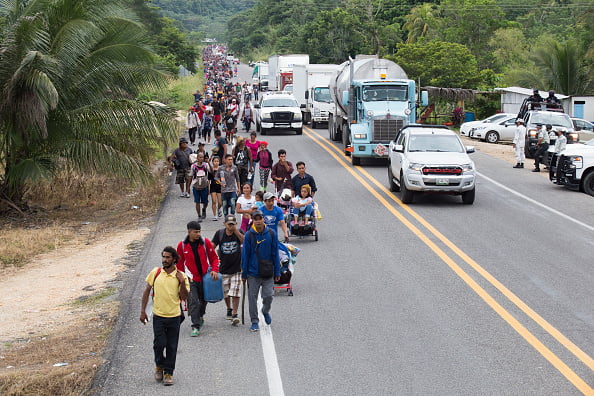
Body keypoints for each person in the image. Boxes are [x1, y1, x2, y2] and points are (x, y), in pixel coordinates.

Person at [140, 246, 189, 386]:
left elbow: (184, 297)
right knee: (159, 344)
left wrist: (181, 282)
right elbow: (146, 291)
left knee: (171, 346)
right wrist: (143, 311)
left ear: (174, 259)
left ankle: (168, 373)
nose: (165, 260)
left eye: (168, 257)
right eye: (163, 257)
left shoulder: (181, 276)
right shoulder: (155, 273)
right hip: (159, 316)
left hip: (174, 316)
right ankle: (159, 366)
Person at [176, 221, 219, 337]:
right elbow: (179, 264)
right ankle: (195, 326)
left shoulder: (206, 243)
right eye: (195, 232)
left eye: (199, 231)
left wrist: (215, 270)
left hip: (205, 278)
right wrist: (182, 279)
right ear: (189, 232)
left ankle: (200, 315)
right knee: (193, 301)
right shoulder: (182, 246)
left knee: (204, 300)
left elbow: (214, 258)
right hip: (191, 279)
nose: (198, 234)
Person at [241, 210, 280, 332]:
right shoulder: (249, 235)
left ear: (264, 219)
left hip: (268, 271)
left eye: (260, 218)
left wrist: (277, 271)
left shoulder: (271, 233)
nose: (258, 221)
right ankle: (254, 321)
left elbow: (275, 253)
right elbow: (245, 255)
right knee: (252, 298)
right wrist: (244, 273)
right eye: (256, 219)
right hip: (253, 272)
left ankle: (265, 311)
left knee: (268, 296)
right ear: (253, 220)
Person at [211, 215, 244, 326]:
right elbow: (212, 247)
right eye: (229, 224)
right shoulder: (219, 234)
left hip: (237, 268)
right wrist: (215, 259)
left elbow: (244, 241)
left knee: (235, 292)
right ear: (224, 224)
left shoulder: (238, 232)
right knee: (226, 293)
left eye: (233, 224)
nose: (231, 226)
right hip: (224, 268)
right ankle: (229, 308)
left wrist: (236, 232)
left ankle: (235, 314)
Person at [190, 153, 210, 221]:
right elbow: (191, 175)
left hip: (204, 186)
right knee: (197, 201)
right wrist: (188, 187)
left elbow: (211, 172)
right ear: (197, 158)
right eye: (200, 157)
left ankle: (204, 209)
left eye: (202, 157)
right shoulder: (193, 166)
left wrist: (209, 163)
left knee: (205, 202)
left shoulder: (205, 165)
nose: (201, 159)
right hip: (196, 186)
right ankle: (199, 215)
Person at [209, 156, 223, 220]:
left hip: (219, 187)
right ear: (212, 162)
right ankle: (215, 215)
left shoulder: (221, 169)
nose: (216, 162)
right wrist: (208, 188)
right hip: (213, 186)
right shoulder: (211, 170)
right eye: (215, 161)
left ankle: (219, 209)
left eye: (217, 161)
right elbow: (209, 179)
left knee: (220, 202)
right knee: (214, 201)